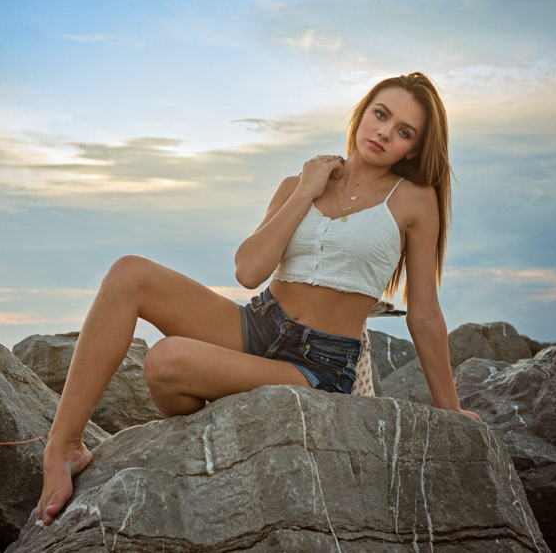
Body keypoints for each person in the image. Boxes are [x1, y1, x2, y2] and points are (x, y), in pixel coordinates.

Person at [34, 71, 483, 526]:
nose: (385, 132)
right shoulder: (298, 183)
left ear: (414, 149)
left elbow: (424, 313)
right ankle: (64, 446)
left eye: (404, 131)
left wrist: (451, 411)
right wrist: (307, 190)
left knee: (165, 362)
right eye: (380, 114)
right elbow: (249, 270)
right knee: (128, 272)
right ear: (362, 114)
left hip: (319, 366)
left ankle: (216, 406)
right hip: (258, 323)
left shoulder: (414, 200)